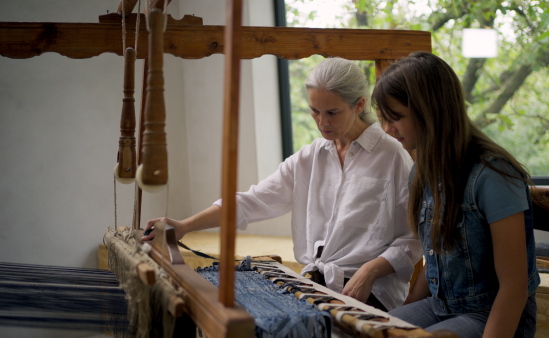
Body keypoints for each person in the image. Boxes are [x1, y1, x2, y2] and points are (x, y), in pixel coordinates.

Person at [143, 57, 422, 311]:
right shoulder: (310, 158)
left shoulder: (392, 155)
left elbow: (413, 236)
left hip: (370, 292)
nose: (322, 123)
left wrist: (370, 270)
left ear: (359, 105)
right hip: (316, 285)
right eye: (314, 111)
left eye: (333, 113)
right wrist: (184, 226)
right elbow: (250, 202)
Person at [372, 51, 540, 337]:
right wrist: (400, 324)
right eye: (384, 119)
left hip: (493, 315)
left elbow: (514, 289)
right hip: (440, 307)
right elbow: (434, 260)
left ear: (430, 111)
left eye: (396, 118)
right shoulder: (422, 173)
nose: (388, 130)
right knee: (368, 330)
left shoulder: (493, 176)